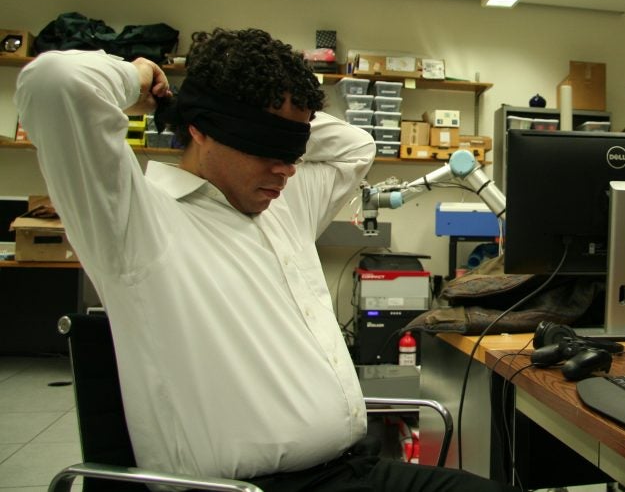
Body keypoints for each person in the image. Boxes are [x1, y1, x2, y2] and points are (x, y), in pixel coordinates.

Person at [15, 28, 513, 492]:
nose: (285, 169)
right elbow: (53, 83)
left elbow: (357, 146)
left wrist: (280, 121)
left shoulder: (284, 202)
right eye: (264, 147)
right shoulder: (132, 220)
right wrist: (141, 78)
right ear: (202, 129)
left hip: (349, 471)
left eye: (293, 151)